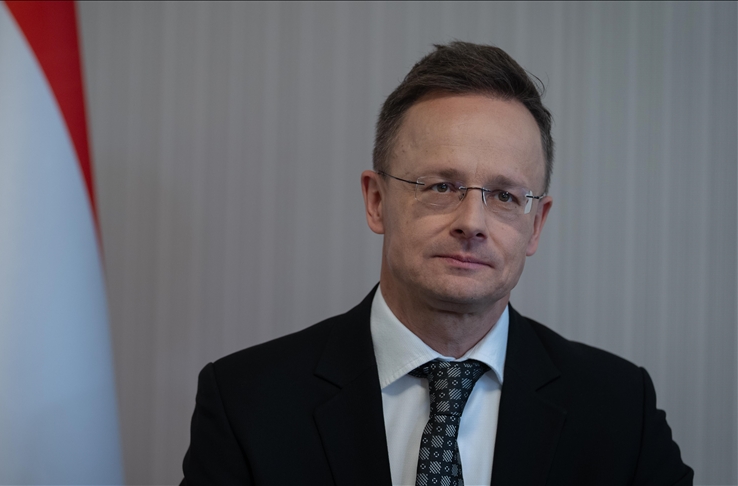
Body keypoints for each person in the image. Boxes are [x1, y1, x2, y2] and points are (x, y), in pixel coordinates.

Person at [180, 41, 692, 486]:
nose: (472, 222)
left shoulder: (621, 409)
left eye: (505, 196)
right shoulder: (247, 401)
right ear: (376, 201)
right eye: (442, 186)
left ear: (536, 224)